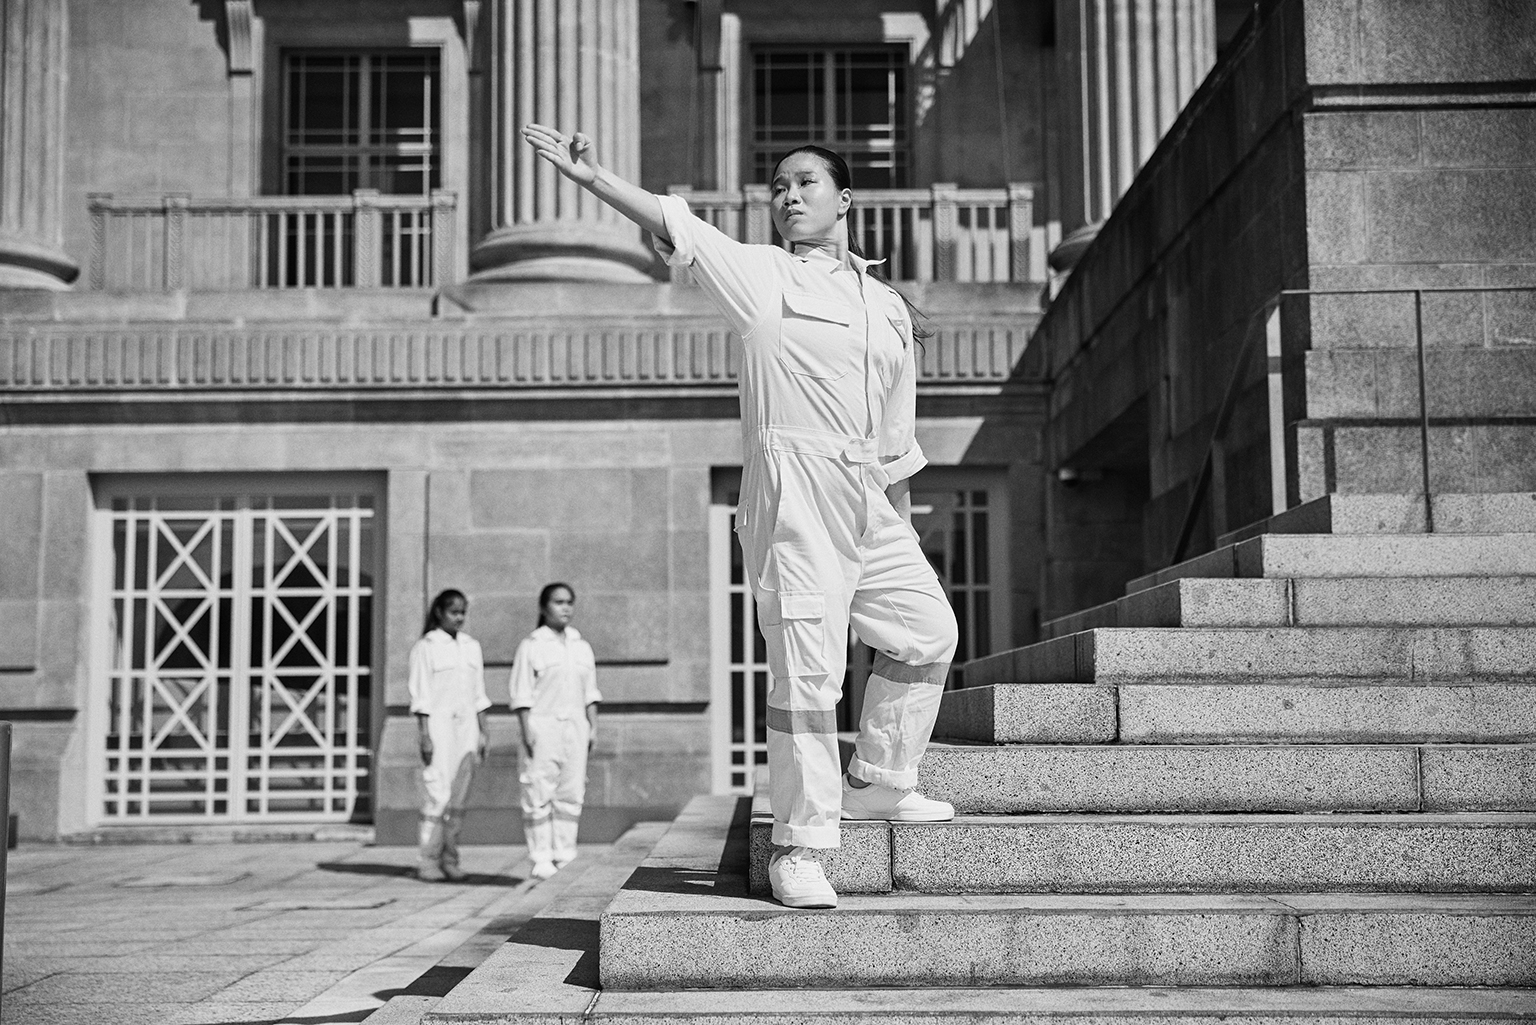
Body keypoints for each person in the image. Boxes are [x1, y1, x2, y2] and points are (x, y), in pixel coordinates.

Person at [521, 125, 960, 910]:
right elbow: (673, 221)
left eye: (805, 183)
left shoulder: (889, 307)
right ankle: (800, 845)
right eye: (779, 189)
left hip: (869, 494)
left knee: (929, 628)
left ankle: (880, 779)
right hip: (793, 490)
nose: (789, 196)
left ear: (845, 198)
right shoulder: (759, 275)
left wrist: (901, 531)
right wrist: (593, 179)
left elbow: (899, 439)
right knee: (808, 672)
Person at [509, 582, 602, 880]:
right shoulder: (532, 645)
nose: (565, 608)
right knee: (538, 790)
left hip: (576, 726)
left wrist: (592, 727)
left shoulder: (581, 646)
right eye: (558, 602)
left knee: (571, 790)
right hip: (542, 725)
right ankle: (541, 857)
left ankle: (565, 852)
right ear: (543, 607)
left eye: (569, 602)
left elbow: (590, 693)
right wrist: (526, 731)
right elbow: (521, 694)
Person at [407, 589, 491, 882]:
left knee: (458, 797)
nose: (459, 617)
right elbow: (421, 698)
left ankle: (450, 858)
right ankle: (428, 860)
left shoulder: (471, 646)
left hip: (466, 729)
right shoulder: (426, 647)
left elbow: (479, 695)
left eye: (463, 612)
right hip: (439, 729)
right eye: (453, 611)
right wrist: (424, 735)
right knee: (437, 794)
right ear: (439, 612)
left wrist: (483, 731)